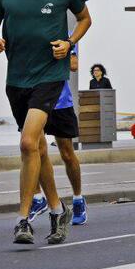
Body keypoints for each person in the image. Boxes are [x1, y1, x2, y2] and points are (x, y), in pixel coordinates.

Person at [0, 0, 91, 245]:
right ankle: (57, 209)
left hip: (50, 75)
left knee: (26, 142)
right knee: (36, 147)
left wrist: (70, 43)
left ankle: (22, 220)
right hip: (17, 78)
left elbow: (85, 18)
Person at [30, 43, 87, 227]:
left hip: (61, 102)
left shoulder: (65, 34)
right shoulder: (30, 31)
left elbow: (73, 65)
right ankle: (38, 197)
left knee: (67, 154)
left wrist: (59, 52)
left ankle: (78, 199)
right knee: (33, 149)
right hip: (35, 101)